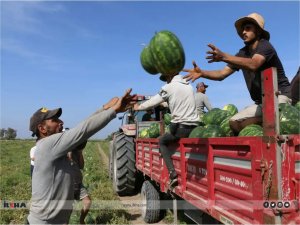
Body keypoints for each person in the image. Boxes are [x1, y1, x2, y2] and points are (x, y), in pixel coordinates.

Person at [27, 89, 136, 224]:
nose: (61, 121)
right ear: (42, 129)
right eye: (54, 120)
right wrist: (112, 111)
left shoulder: (52, 147)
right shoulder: (47, 145)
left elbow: (79, 129)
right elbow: (82, 130)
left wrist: (104, 109)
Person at [183, 12, 291, 134]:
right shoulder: (242, 53)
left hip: (279, 97)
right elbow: (221, 74)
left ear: (258, 31)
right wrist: (202, 73)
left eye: (248, 28)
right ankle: (270, 123)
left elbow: (254, 64)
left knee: (281, 119)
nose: (243, 32)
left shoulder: (265, 46)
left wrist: (224, 56)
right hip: (262, 102)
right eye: (242, 30)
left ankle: (279, 120)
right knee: (234, 123)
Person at [134, 74, 199, 189]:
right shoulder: (189, 86)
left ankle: (172, 173)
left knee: (162, 141)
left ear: (169, 78)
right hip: (194, 127)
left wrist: (138, 107)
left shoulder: (169, 87)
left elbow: (153, 101)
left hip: (180, 128)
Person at [67, 141, 91, 225]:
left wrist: (80, 153)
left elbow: (81, 166)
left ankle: (81, 221)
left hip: (78, 182)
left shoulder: (77, 151)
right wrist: (68, 152)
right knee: (68, 208)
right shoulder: (63, 151)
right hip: (67, 185)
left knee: (87, 202)